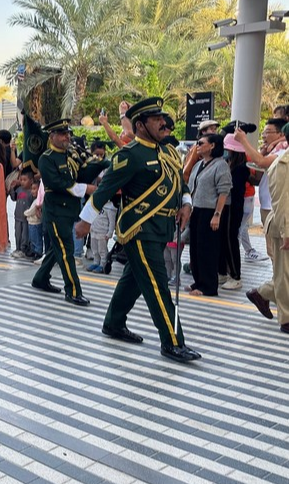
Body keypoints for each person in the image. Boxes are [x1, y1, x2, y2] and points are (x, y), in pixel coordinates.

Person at [75, 97, 200, 363]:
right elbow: (106, 188)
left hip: (161, 228)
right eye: (156, 119)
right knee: (157, 286)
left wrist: (186, 204)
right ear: (141, 125)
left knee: (133, 280)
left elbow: (181, 183)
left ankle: (113, 323)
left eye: (161, 118)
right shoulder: (129, 155)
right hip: (139, 230)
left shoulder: (167, 152)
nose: (162, 123)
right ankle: (173, 341)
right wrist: (85, 221)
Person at [31, 119, 107, 306]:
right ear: (52, 136)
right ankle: (73, 290)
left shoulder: (71, 154)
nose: (67, 137)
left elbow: (82, 174)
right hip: (56, 212)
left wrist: (101, 164)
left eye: (68, 134)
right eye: (63, 134)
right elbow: (58, 184)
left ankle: (40, 279)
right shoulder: (46, 158)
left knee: (56, 249)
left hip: (70, 210)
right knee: (66, 251)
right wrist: (86, 189)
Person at [247, 124, 289, 334]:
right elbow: (282, 203)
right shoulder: (283, 163)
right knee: (285, 274)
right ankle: (286, 319)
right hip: (284, 226)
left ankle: (262, 293)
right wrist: (286, 233)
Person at [186, 133, 231, 296]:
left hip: (211, 211)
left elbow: (224, 192)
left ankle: (208, 286)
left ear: (212, 145)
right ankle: (198, 281)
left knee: (208, 249)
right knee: (196, 248)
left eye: (201, 143)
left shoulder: (221, 165)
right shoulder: (200, 164)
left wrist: (217, 214)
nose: (198, 145)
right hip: (196, 209)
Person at [218, 134, 250, 291]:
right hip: (226, 207)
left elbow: (232, 187)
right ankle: (223, 271)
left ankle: (235, 275)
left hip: (233, 207)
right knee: (223, 239)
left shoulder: (240, 168)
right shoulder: (228, 164)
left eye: (227, 149)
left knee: (230, 240)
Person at [10, 169, 35, 259]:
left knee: (25, 235)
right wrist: (12, 189)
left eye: (25, 180)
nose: (22, 182)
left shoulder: (32, 192)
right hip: (18, 216)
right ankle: (17, 248)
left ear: (31, 181)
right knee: (17, 233)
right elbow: (13, 198)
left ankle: (23, 250)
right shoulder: (19, 189)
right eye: (21, 180)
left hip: (26, 218)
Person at [24, 182, 44, 259]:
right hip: (31, 223)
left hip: (35, 223)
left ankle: (38, 252)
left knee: (36, 238)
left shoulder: (37, 202)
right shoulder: (35, 200)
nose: (32, 191)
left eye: (34, 189)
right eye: (31, 189)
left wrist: (25, 213)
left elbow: (31, 211)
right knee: (32, 238)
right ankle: (33, 250)